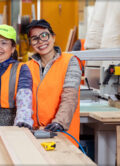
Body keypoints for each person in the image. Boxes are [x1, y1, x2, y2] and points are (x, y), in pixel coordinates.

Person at [24, 19, 82, 147]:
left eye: (44, 35)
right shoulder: (27, 67)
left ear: (53, 37)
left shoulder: (70, 62)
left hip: (61, 133)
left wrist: (59, 122)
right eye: (34, 38)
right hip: (34, 134)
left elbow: (70, 97)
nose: (40, 41)